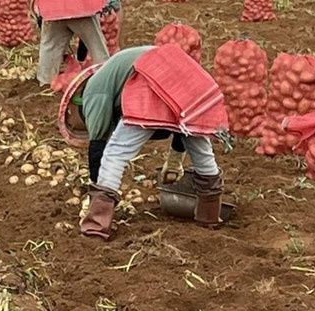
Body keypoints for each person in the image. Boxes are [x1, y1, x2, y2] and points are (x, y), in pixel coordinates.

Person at [59, 45, 227, 240]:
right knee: (201, 148)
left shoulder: (93, 90)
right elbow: (184, 128)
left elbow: (98, 145)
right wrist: (175, 159)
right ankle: (210, 216)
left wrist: (94, 194)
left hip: (151, 81)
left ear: (73, 106)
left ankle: (96, 225)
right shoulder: (113, 71)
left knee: (115, 153)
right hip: (189, 79)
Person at [34, 0, 112, 87]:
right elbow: (102, 3)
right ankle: (105, 78)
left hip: (54, 12)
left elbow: (38, 7)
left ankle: (45, 80)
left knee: (50, 46)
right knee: (96, 44)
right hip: (81, 10)